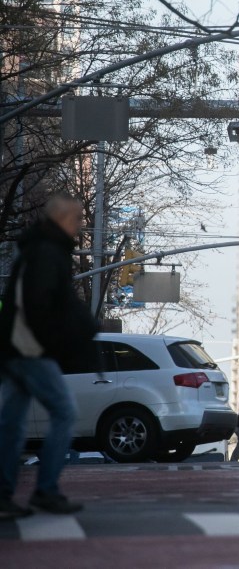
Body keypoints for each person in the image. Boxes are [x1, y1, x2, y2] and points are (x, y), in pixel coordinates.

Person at [0, 194, 99, 519]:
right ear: (61, 219)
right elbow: (40, 306)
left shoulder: (39, 249)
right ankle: (46, 490)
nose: (81, 224)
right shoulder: (47, 253)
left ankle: (3, 495)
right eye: (77, 218)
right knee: (64, 412)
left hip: (18, 348)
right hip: (30, 350)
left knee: (12, 424)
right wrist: (58, 344)